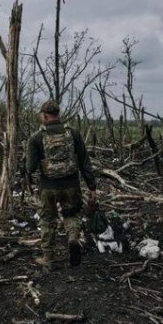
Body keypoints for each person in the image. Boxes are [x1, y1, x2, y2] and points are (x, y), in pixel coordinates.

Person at [25, 99, 97, 270]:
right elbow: (85, 162)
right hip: (71, 184)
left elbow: (31, 167)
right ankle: (72, 238)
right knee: (71, 214)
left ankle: (48, 258)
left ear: (44, 115)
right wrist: (92, 187)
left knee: (48, 220)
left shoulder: (36, 138)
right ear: (58, 114)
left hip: (48, 187)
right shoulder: (73, 133)